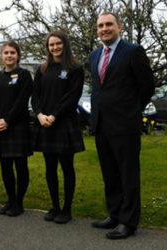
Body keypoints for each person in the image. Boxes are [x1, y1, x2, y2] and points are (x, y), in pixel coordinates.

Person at [89, 13, 154, 239]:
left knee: (128, 174)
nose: (104, 29)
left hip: (125, 125)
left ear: (119, 26)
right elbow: (98, 88)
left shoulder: (133, 51)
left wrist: (131, 110)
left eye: (109, 24)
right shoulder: (95, 54)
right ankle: (114, 215)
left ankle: (128, 222)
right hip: (102, 124)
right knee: (110, 174)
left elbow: (147, 86)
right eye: (100, 26)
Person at [31, 30, 85, 224]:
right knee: (50, 167)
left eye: (58, 44)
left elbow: (72, 97)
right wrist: (40, 115)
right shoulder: (43, 69)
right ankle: (55, 206)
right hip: (45, 123)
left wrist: (54, 115)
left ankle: (66, 209)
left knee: (67, 167)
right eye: (51, 45)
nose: (54, 47)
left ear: (65, 44)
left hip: (64, 123)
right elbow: (35, 95)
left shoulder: (75, 68)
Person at [0, 41, 33, 217]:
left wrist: (7, 120)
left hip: (17, 126)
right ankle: (10, 199)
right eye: (6, 52)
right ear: (1, 56)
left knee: (20, 166)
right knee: (5, 167)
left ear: (18, 55)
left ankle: (19, 203)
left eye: (12, 52)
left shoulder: (24, 75)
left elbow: (22, 101)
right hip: (0, 128)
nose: (9, 55)